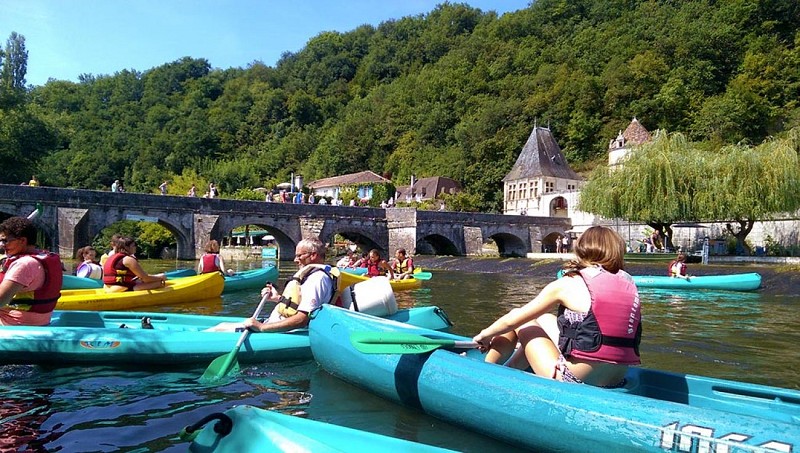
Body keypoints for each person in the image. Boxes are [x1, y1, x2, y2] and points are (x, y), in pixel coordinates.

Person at [472, 226, 641, 388]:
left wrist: (485, 335)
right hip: (616, 379)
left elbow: (512, 321)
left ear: (581, 249)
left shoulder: (569, 283)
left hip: (573, 380)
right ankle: (510, 368)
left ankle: (485, 371)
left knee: (519, 319)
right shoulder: (629, 284)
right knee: (544, 318)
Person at [208, 237, 338, 333]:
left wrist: (261, 327)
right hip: (276, 324)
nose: (295, 260)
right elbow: (299, 305)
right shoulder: (312, 276)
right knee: (221, 325)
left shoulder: (317, 279)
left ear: (313, 255)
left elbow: (302, 319)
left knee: (218, 329)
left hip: (286, 332)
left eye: (299, 256)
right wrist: (277, 298)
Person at [0, 216, 63, 326]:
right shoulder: (39, 258)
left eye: (5, 241)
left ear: (23, 241)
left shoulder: (24, 265)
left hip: (11, 325)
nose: (1, 245)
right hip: (40, 323)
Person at [102, 236, 166, 292]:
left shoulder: (111, 257)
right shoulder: (128, 259)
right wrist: (160, 277)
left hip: (107, 287)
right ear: (126, 247)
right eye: (133, 246)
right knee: (158, 283)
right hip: (122, 288)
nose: (135, 247)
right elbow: (146, 279)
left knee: (139, 281)